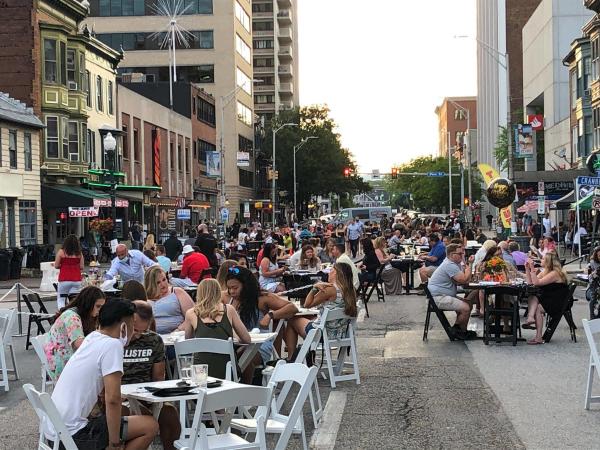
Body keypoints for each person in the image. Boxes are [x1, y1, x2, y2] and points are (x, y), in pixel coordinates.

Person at [42, 299, 159, 449]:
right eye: (133, 325)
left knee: (121, 424)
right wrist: (114, 442)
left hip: (55, 432)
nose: (135, 332)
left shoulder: (92, 338)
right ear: (123, 327)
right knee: (150, 425)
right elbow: (113, 400)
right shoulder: (112, 345)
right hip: (73, 435)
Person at [122, 301, 180, 450]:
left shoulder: (153, 340)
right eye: (134, 329)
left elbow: (159, 377)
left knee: (170, 415)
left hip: (146, 395)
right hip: (121, 396)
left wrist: (152, 397)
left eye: (142, 331)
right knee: (124, 416)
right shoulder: (115, 340)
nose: (137, 335)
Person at [225, 266, 299, 383]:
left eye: (235, 287)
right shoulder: (227, 298)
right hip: (236, 342)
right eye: (229, 288)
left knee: (243, 356)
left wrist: (270, 315)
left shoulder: (261, 298)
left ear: (246, 286)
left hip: (258, 345)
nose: (232, 291)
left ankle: (246, 389)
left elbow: (292, 307)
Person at [183, 279, 250, 379]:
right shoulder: (229, 310)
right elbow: (247, 339)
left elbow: (188, 342)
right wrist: (234, 336)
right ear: (218, 292)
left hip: (201, 372)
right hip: (226, 370)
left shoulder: (191, 313)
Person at [285, 262, 358, 351]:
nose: (328, 272)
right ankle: (306, 352)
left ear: (336, 273)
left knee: (292, 320)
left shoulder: (330, 289)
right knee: (310, 317)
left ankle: (291, 356)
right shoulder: (352, 290)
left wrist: (314, 288)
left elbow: (307, 304)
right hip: (341, 334)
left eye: (331, 270)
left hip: (323, 334)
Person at [44, 286, 106, 381]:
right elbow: (80, 344)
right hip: (60, 363)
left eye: (102, 307)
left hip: (62, 357)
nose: (100, 310)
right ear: (88, 304)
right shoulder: (72, 317)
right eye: (98, 306)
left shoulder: (81, 314)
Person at [427, 243, 475, 339]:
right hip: (439, 297)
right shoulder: (449, 265)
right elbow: (463, 279)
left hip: (442, 295)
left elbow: (460, 281)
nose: (462, 256)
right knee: (465, 308)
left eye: (463, 254)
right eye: (460, 254)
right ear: (452, 255)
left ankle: (462, 331)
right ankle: (456, 329)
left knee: (468, 304)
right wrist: (470, 265)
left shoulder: (452, 264)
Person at [523, 253, 568, 345]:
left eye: (543, 259)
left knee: (537, 307)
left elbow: (536, 283)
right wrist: (527, 269)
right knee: (532, 296)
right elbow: (530, 283)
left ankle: (538, 336)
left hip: (558, 301)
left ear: (549, 262)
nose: (541, 260)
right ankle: (531, 319)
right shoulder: (546, 271)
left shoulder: (555, 273)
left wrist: (532, 267)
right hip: (549, 298)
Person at [144, 266, 195, 334]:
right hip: (152, 337)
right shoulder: (144, 297)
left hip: (177, 334)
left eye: (164, 279)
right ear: (151, 285)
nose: (163, 284)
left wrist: (178, 330)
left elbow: (193, 316)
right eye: (158, 282)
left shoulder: (177, 292)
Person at [54, 234, 84, 309]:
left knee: (61, 299)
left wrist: (64, 266)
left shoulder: (61, 252)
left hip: (64, 279)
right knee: (73, 300)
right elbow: (81, 267)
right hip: (76, 280)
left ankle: (62, 314)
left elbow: (56, 265)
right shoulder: (79, 253)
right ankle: (73, 315)